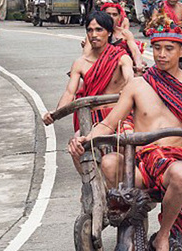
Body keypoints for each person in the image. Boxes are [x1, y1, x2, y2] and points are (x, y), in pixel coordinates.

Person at [68, 24, 182, 251]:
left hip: (171, 162)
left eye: (168, 49)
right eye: (156, 48)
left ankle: (163, 236)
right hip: (142, 163)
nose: (161, 54)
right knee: (110, 162)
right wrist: (84, 138)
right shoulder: (137, 84)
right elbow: (109, 124)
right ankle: (132, 221)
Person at [43, 11, 134, 169]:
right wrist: (55, 113)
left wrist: (127, 89)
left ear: (109, 33)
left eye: (99, 30)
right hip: (92, 119)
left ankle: (133, 187)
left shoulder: (121, 57)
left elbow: (130, 80)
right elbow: (70, 93)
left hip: (119, 116)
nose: (94, 34)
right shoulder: (80, 63)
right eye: (90, 30)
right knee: (76, 146)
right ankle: (90, 189)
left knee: (127, 141)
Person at [83, 0, 145, 73]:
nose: (111, 17)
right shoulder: (94, 34)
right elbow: (87, 53)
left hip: (124, 67)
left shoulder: (125, 34)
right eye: (108, 14)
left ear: (119, 17)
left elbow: (135, 51)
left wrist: (138, 64)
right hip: (100, 69)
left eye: (114, 15)